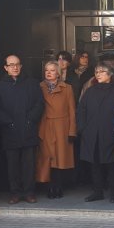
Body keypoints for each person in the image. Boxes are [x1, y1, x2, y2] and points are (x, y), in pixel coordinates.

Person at [0, 54, 44, 204]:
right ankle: (15, 193)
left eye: (17, 64)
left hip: (28, 130)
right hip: (10, 131)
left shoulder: (32, 83)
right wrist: (8, 122)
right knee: (12, 165)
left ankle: (29, 192)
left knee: (29, 165)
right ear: (5, 68)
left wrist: (30, 120)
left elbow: (39, 104)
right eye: (11, 65)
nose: (15, 67)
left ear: (21, 66)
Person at [78, 63, 114, 202]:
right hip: (92, 133)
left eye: (101, 72)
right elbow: (81, 110)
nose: (98, 74)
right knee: (94, 164)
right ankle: (97, 192)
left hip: (110, 132)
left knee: (112, 165)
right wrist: (83, 128)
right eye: (96, 72)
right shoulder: (90, 91)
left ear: (110, 74)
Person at [36, 60, 76, 198]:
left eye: (52, 70)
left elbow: (72, 110)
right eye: (47, 70)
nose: (49, 72)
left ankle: (58, 186)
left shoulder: (67, 88)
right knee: (47, 157)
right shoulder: (39, 87)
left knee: (60, 158)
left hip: (62, 126)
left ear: (58, 73)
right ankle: (49, 186)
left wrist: (72, 131)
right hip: (45, 125)